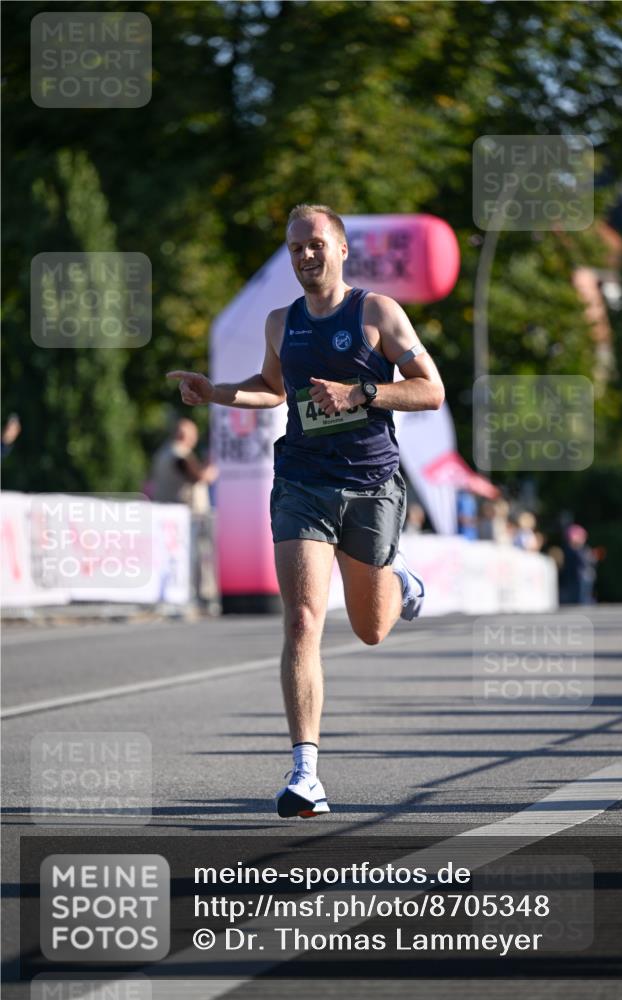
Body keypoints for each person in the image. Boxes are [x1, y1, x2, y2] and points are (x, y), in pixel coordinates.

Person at [167, 203, 444, 819]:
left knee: (371, 629)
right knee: (302, 621)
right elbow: (272, 390)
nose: (305, 255)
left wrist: (361, 392)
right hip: (301, 482)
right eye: (295, 248)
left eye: (315, 244)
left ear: (341, 249)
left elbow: (431, 390)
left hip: (370, 484)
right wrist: (215, 392)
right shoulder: (280, 322)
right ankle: (305, 773)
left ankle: (398, 578)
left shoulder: (377, 313)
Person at [150, 418, 220, 605]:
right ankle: (198, 596)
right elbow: (197, 476)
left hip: (168, 515)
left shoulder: (162, 453)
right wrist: (212, 470)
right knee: (195, 556)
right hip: (189, 517)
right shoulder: (179, 454)